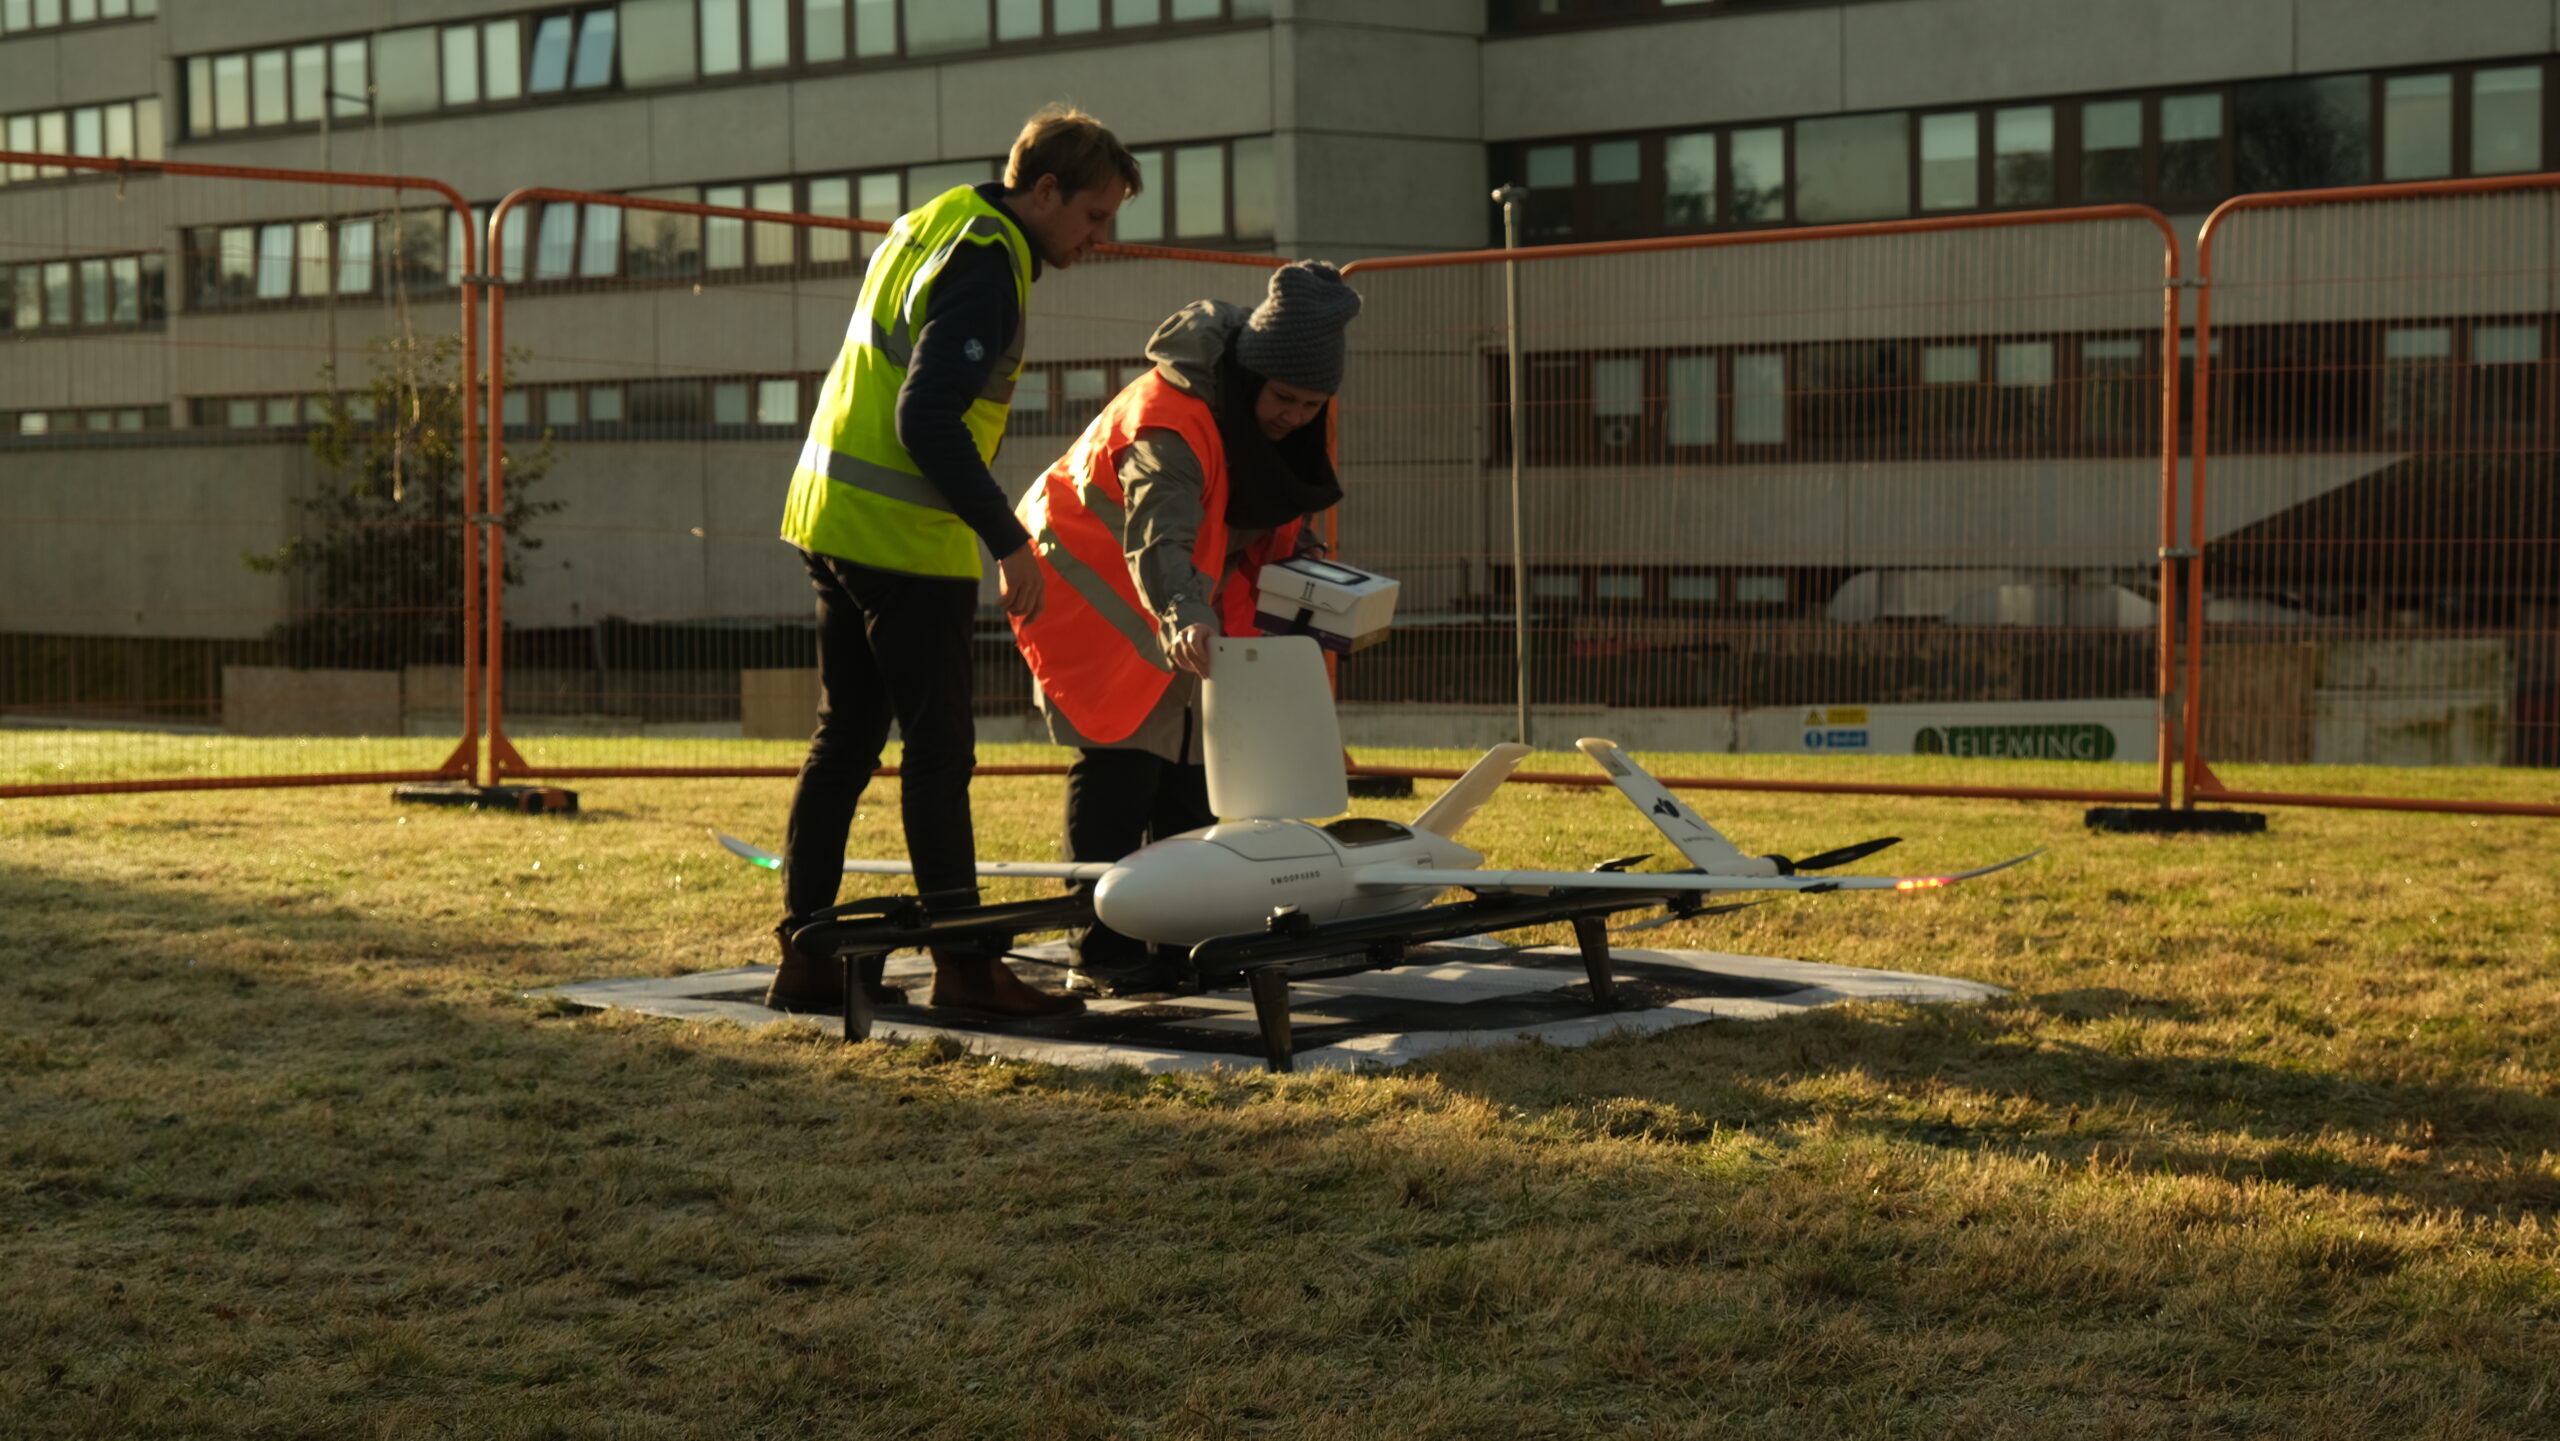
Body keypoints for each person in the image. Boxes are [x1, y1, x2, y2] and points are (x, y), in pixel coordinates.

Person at [770, 105, 1139, 1018]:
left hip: (830, 515)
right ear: (1044, 190)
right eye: (1094, 217)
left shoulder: (935, 221)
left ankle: (807, 956)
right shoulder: (988, 262)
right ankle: (967, 970)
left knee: (845, 740)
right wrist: (1008, 539)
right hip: (902, 540)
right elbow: (926, 417)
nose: (1100, 239)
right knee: (939, 754)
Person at [1008, 260, 1363, 994]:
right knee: (1121, 768)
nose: (1294, 416)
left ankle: (1179, 942)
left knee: (1194, 776)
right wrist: (1184, 615)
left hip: (1175, 603)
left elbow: (1267, 520)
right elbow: (1160, 538)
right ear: (1250, 376)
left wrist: (1318, 583)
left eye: (1311, 403)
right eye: (1285, 398)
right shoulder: (1166, 422)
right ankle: (1101, 948)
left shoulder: (1262, 413)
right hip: (1090, 591)